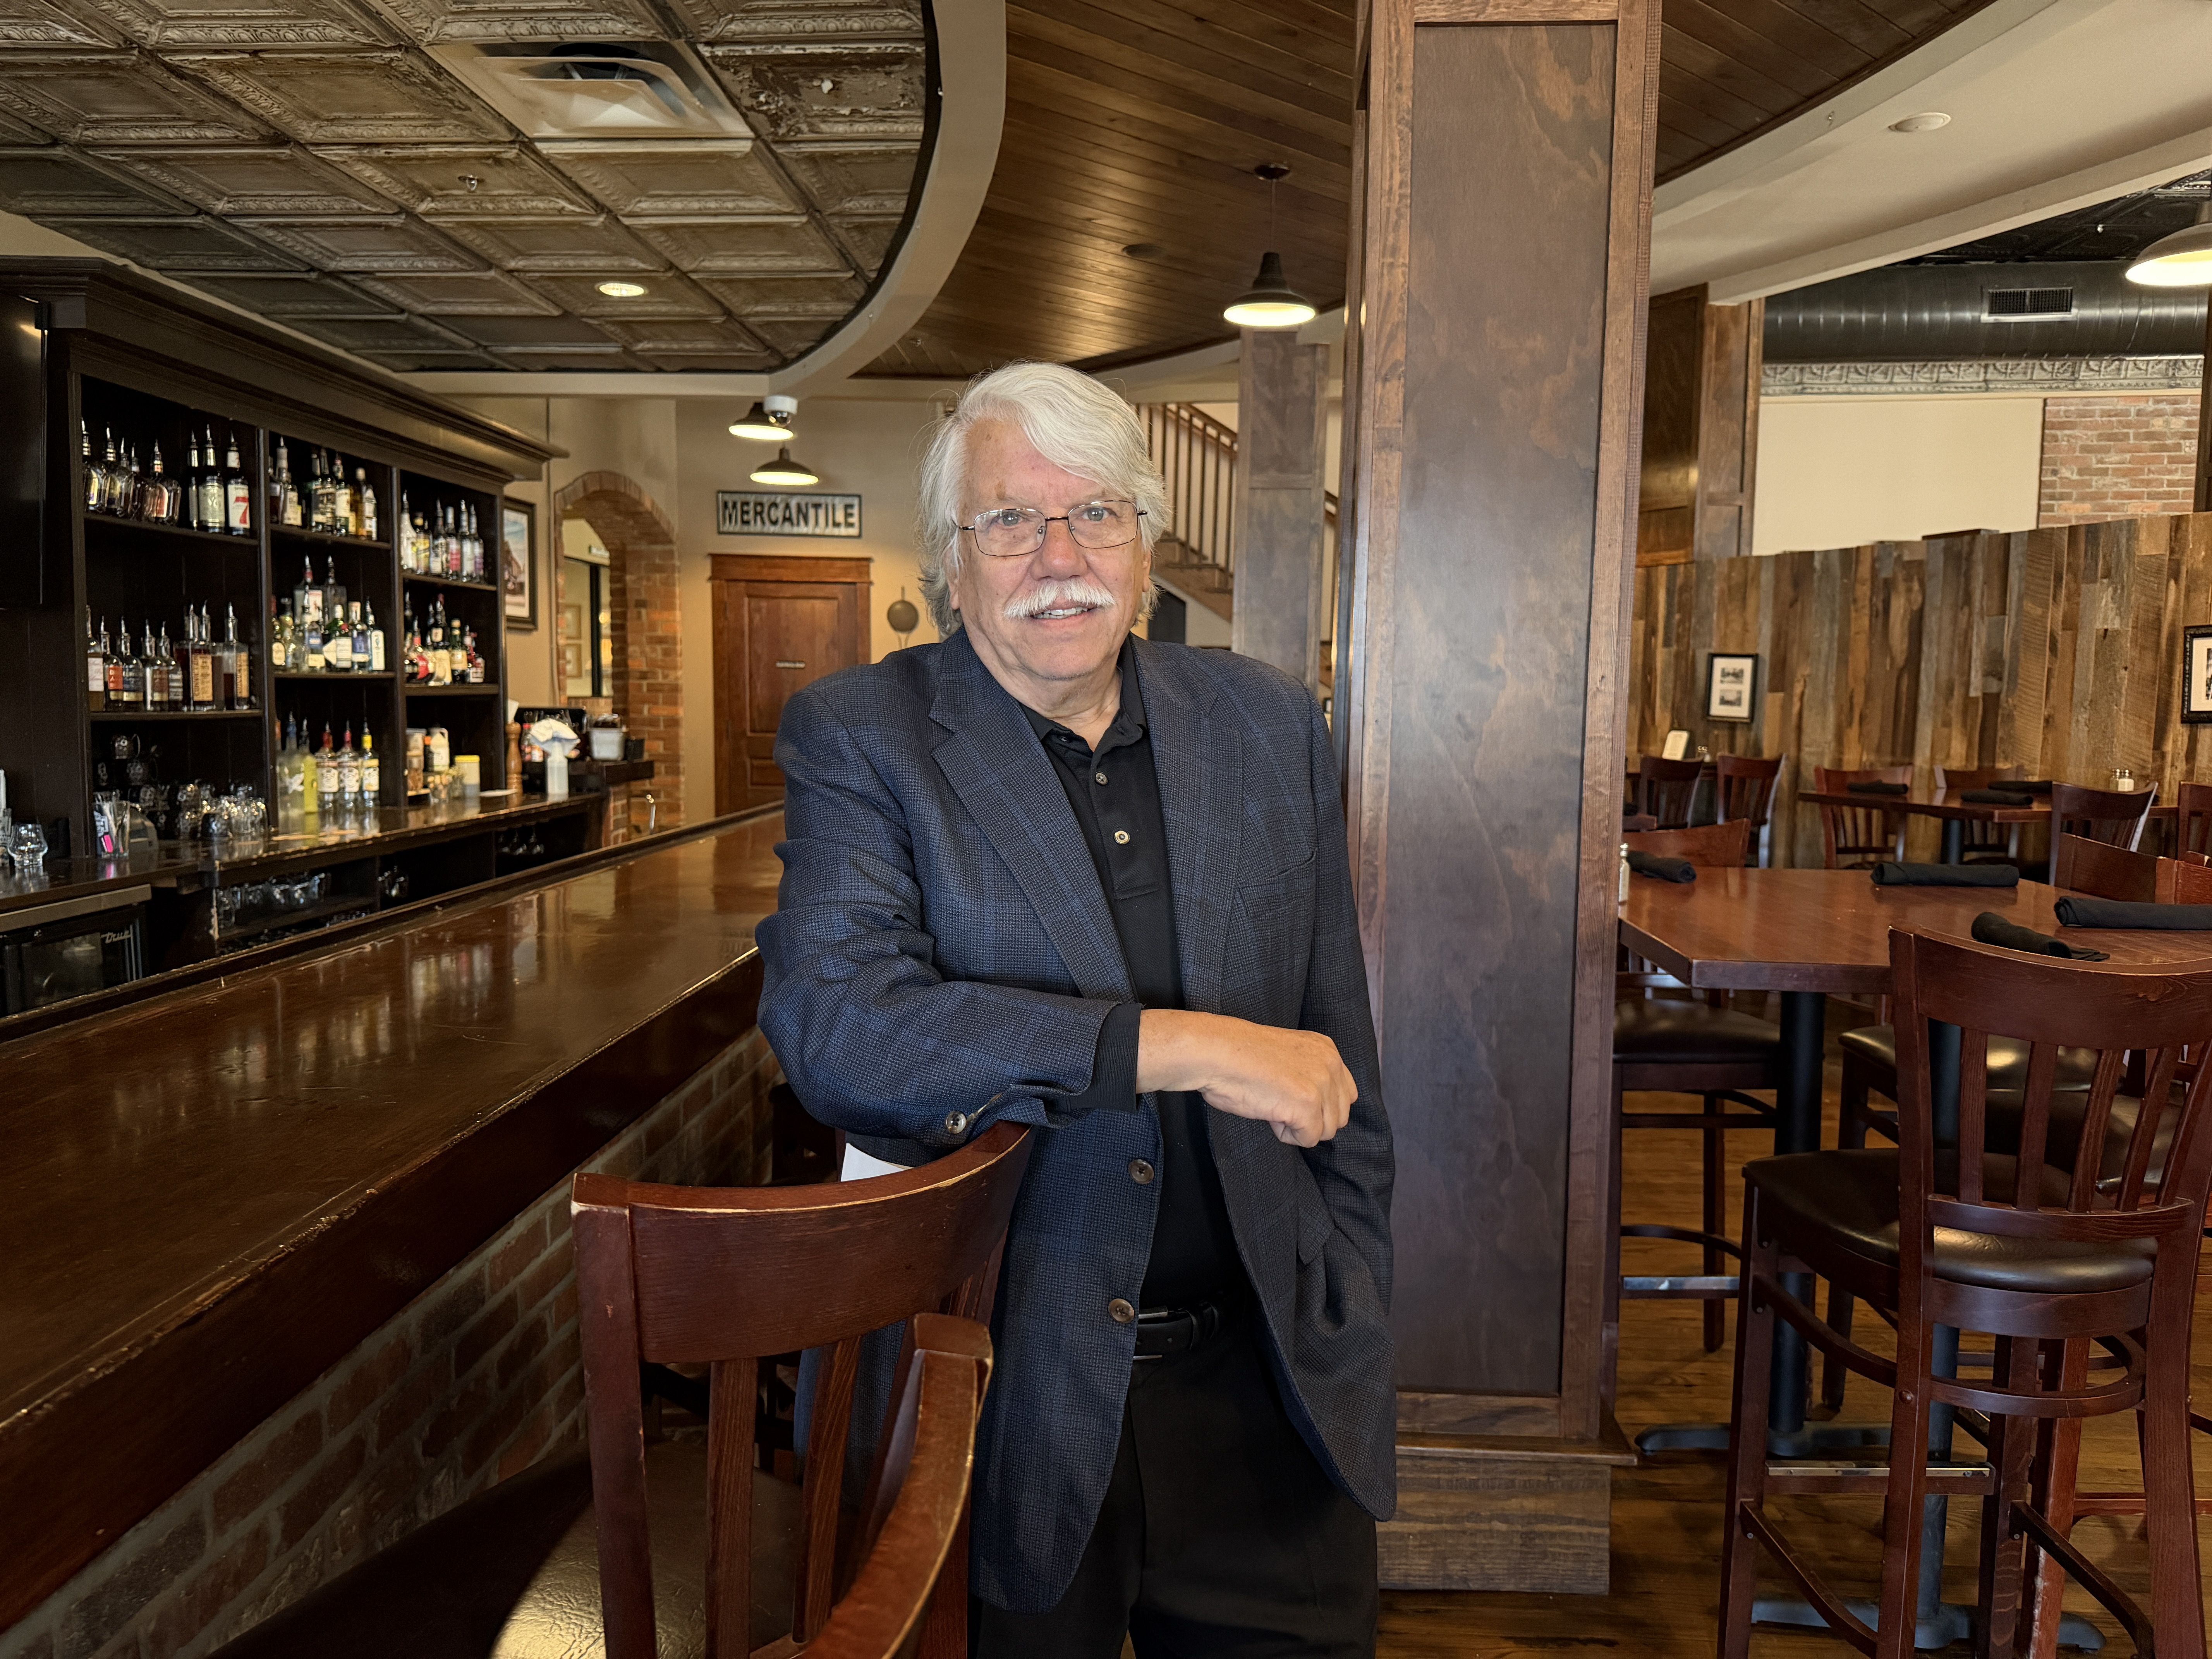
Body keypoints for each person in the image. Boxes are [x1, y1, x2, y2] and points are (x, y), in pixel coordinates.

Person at [757, 361, 1395, 1657]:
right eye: (1011, 520)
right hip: (1001, 1400)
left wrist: (1352, 1287)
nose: (1061, 555)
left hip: (1266, 1385)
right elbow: (837, 1023)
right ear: (953, 559)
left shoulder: (1270, 724)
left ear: (1147, 543)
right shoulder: (864, 735)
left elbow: (1342, 1059)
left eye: (1097, 513)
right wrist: (1185, 1045)